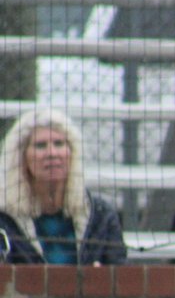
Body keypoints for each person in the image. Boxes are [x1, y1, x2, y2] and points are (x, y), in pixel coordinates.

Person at [0, 108, 126, 265]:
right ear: (21, 158)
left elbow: (120, 276)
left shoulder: (101, 216)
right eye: (40, 145)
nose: (52, 153)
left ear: (72, 153)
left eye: (59, 144)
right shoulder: (4, 220)